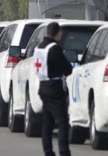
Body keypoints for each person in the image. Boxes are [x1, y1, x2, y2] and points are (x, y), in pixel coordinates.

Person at [36, 22, 73, 156]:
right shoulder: (54, 48)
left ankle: (48, 152)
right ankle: (64, 152)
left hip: (43, 87)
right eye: (60, 33)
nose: (61, 35)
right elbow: (68, 69)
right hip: (55, 90)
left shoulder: (39, 47)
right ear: (56, 33)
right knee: (62, 123)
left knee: (47, 123)